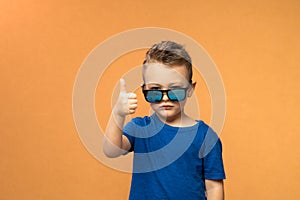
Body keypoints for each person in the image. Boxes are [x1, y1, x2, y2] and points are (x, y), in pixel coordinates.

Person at [103, 41, 226, 200]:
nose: (165, 98)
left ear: (190, 89)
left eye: (175, 90)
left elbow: (214, 186)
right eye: (155, 91)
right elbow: (111, 150)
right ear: (144, 90)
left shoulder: (206, 137)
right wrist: (118, 113)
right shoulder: (140, 128)